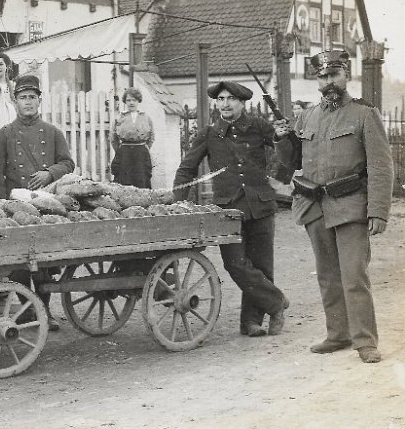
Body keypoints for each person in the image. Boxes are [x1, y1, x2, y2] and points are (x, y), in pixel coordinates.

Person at [274, 50, 393, 363]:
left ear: (346, 76)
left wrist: (378, 210)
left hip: (351, 206)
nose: (328, 82)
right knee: (327, 276)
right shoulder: (307, 116)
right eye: (323, 77)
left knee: (354, 275)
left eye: (334, 75)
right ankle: (337, 334)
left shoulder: (365, 114)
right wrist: (281, 140)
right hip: (315, 207)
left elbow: (381, 166)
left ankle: (365, 341)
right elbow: (292, 164)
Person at [174, 81, 289, 337]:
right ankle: (277, 302)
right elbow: (187, 169)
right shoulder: (209, 134)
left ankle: (251, 322)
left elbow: (287, 151)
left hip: (261, 206)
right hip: (226, 209)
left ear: (242, 102)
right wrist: (177, 201)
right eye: (221, 99)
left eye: (231, 99)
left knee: (261, 265)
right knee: (235, 264)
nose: (225, 104)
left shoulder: (259, 126)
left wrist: (283, 143)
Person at [0, 74, 76, 331]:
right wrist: (4, 207)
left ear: (40, 100)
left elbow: (68, 163)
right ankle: (28, 310)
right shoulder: (4, 135)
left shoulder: (52, 132)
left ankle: (44, 309)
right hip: (16, 210)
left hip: (47, 206)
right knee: (20, 264)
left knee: (45, 263)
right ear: (14, 102)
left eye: (32, 98)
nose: (28, 102)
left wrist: (50, 173)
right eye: (23, 98)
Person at [110, 87, 154, 187]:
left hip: (141, 153)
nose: (131, 103)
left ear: (138, 101)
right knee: (124, 180)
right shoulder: (119, 118)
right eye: (128, 100)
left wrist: (144, 148)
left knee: (142, 179)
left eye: (134, 100)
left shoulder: (146, 117)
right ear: (125, 102)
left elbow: (152, 136)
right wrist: (120, 150)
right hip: (125, 153)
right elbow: (113, 138)